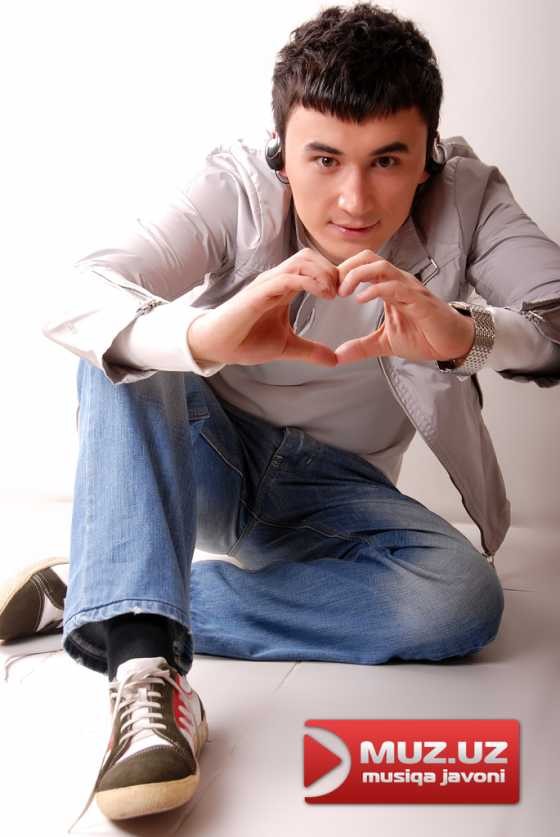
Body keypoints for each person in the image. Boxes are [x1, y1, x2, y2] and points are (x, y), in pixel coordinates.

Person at [3, 1, 560, 829]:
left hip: (337, 492)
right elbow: (75, 292)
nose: (354, 198)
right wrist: (203, 337)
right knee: (122, 349)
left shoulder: (470, 199)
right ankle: (146, 669)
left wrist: (463, 334)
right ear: (281, 151)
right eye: (324, 158)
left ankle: (103, 589)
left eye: (388, 160)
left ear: (429, 157)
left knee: (462, 601)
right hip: (214, 451)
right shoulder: (234, 185)